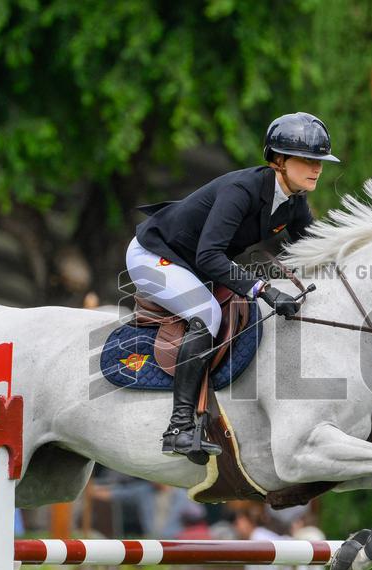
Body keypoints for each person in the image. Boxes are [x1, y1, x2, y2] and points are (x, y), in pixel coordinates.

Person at [127, 112, 340, 458]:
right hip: (155, 256)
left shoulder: (294, 200)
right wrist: (265, 290)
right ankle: (178, 428)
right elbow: (209, 255)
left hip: (193, 264)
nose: (317, 168)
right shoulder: (242, 191)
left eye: (320, 161)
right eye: (307, 160)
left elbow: (317, 252)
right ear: (279, 160)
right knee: (206, 314)